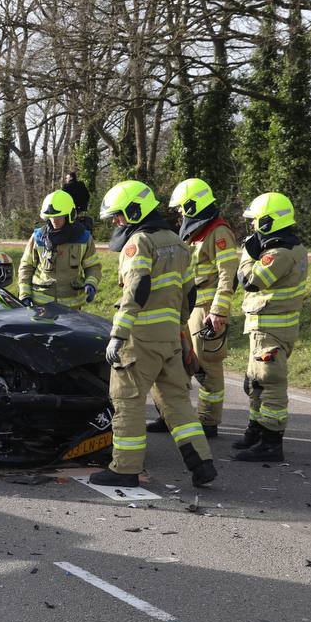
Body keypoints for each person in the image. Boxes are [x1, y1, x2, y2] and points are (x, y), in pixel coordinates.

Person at [90, 180, 216, 489]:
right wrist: (179, 328)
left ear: (134, 211)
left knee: (128, 401)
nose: (118, 222)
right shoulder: (177, 241)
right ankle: (202, 463)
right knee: (177, 403)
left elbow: (137, 288)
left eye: (119, 216)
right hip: (170, 338)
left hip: (139, 339)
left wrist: (118, 334)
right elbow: (190, 293)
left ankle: (125, 469)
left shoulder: (140, 243)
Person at [147, 178, 238, 438]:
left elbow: (227, 274)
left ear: (194, 204)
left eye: (182, 207)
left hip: (206, 310)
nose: (179, 212)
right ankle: (170, 416)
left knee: (207, 367)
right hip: (184, 307)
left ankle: (208, 422)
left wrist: (219, 310)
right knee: (175, 363)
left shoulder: (219, 232)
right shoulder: (192, 233)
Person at [233, 192, 308, 462]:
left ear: (268, 222)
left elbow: (251, 280)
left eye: (255, 221)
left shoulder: (279, 253)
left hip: (271, 329)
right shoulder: (286, 247)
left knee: (271, 383)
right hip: (266, 327)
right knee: (256, 382)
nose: (252, 227)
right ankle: (255, 431)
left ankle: (271, 442)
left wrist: (245, 254)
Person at [16, 189, 101, 309]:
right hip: (41, 306)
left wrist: (91, 283)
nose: (54, 221)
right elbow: (26, 266)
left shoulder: (83, 238)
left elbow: (93, 266)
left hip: (72, 307)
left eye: (59, 216)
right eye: (51, 217)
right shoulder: (38, 237)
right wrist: (25, 294)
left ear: (69, 215)